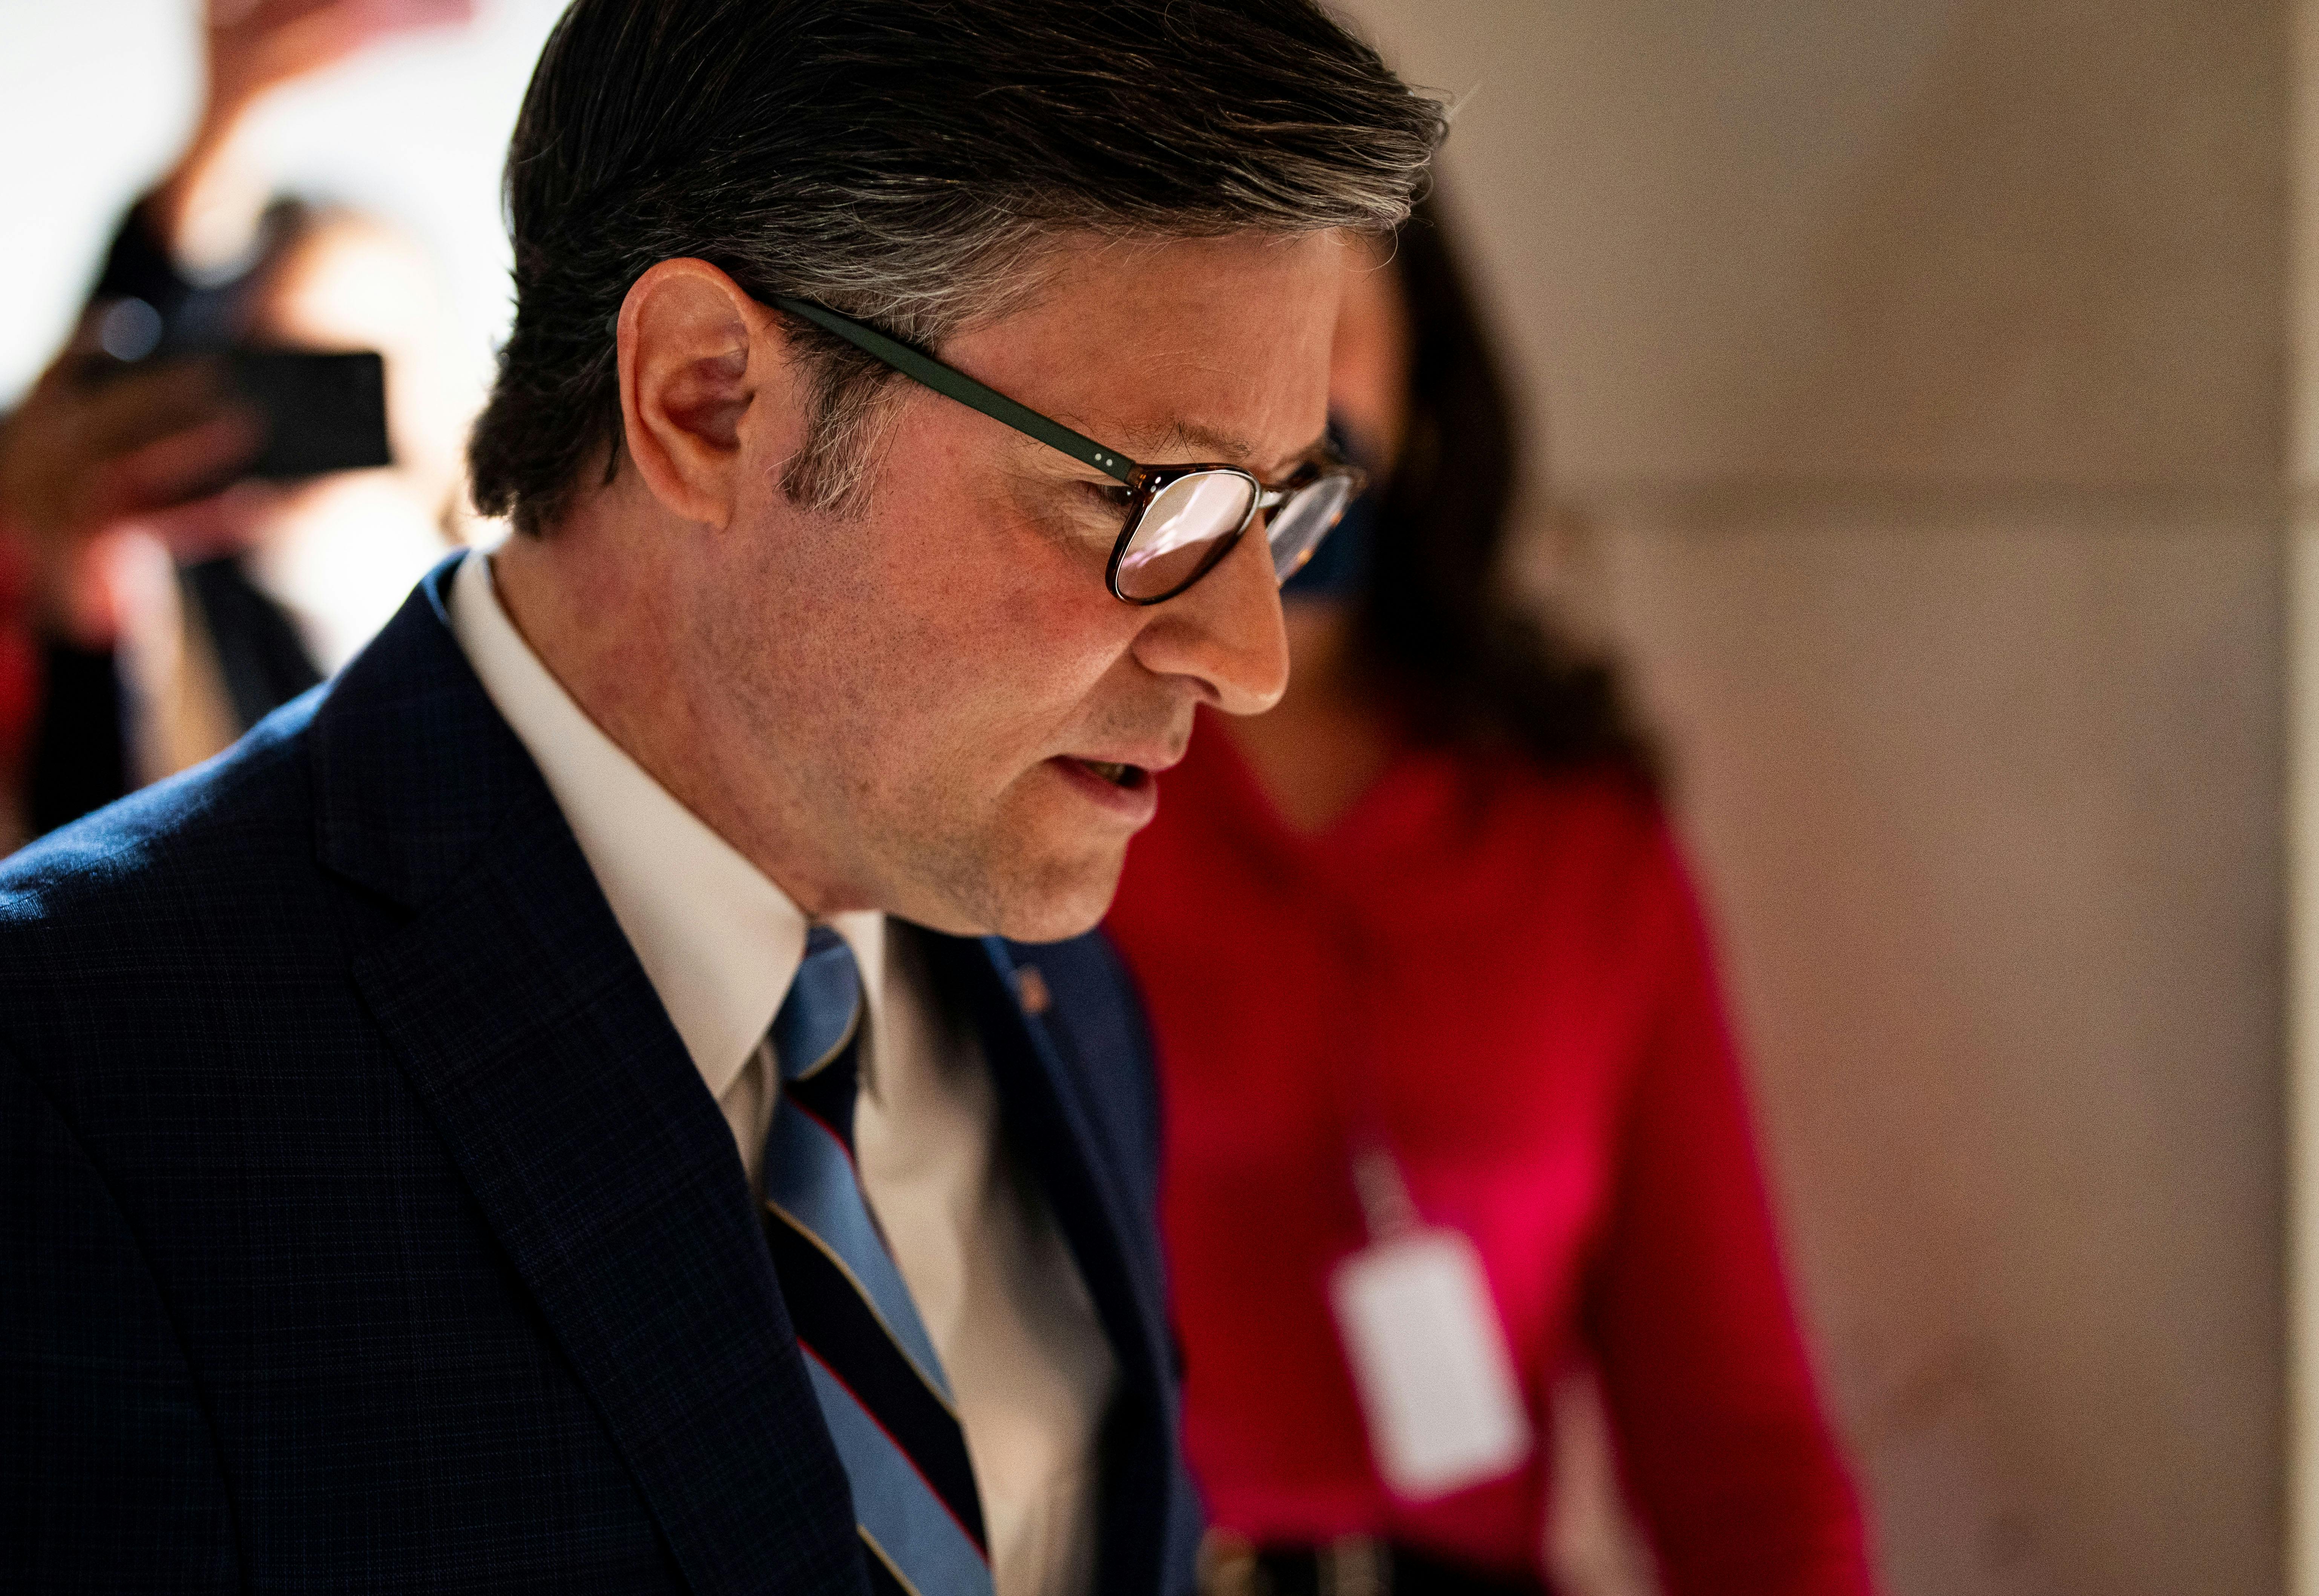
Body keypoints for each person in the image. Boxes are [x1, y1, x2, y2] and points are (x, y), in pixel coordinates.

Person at [0, 2, 1445, 1592]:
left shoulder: (1063, 986)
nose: (1249, 656)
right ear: (705, 398)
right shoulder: (84, 1071)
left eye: (1276, 502)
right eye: (1143, 494)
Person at [1105, 207, 1878, 1596]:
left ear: (1418, 353)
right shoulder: (1048, 789)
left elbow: (1738, 1445)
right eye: (1206, 332)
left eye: (1316, 326)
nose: (1269, 402)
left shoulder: (1575, 832)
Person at [0, 0, 478, 846]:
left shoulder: (506, 616)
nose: (322, 412)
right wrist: (224, 124)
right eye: (277, 363)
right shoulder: (161, 616)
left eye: (359, 371)